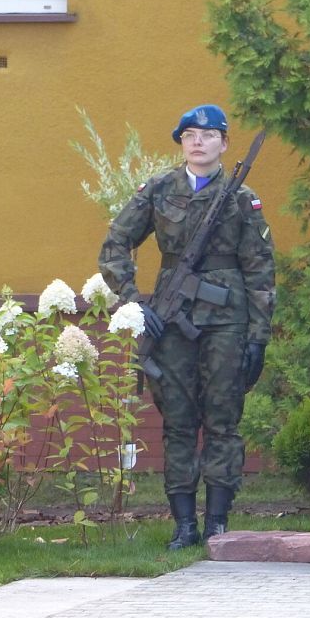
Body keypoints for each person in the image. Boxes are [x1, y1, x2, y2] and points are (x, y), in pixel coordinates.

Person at [99, 104, 276, 550]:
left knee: (222, 420)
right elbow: (116, 244)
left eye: (208, 134)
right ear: (181, 142)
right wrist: (134, 301)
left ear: (223, 143)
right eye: (189, 135)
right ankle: (183, 525)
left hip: (226, 322)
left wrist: (258, 335)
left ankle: (217, 521)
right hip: (171, 319)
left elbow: (259, 270)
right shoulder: (159, 189)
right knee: (177, 421)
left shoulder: (240, 198)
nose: (198, 141)